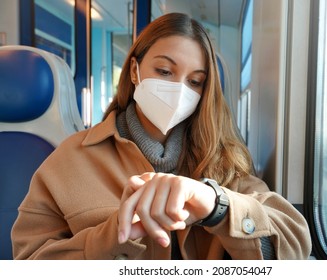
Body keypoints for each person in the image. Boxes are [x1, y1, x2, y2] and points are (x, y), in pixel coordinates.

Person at [11, 12, 311, 260]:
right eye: (165, 71)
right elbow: (29, 262)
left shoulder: (224, 158)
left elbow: (293, 248)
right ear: (134, 70)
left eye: (194, 81)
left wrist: (216, 205)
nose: (180, 90)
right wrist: (114, 234)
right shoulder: (71, 158)